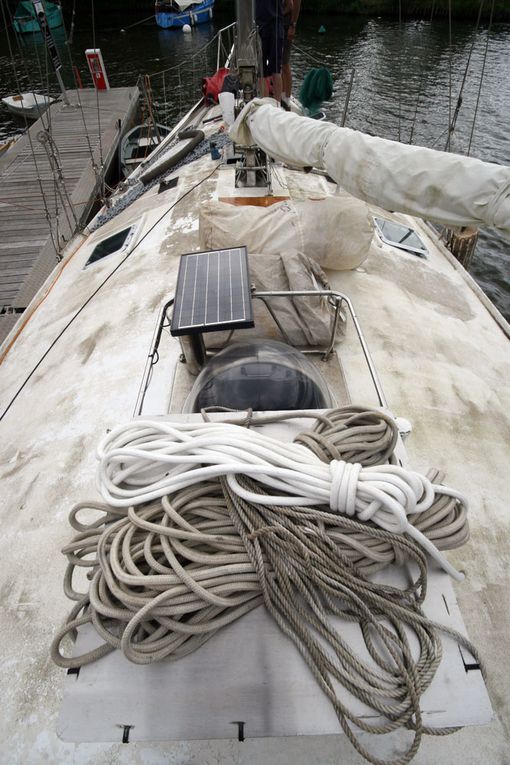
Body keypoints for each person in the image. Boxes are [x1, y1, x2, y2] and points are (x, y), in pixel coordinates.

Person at [255, 0, 285, 102]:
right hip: (263, 26)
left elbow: (290, 5)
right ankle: (269, 103)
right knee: (263, 70)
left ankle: (275, 103)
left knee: (273, 69)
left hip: (273, 25)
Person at [282, 0, 301, 109]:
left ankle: (287, 98)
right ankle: (282, 95)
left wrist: (292, 25)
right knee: (279, 62)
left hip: (286, 23)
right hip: (280, 23)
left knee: (284, 63)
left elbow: (293, 5)